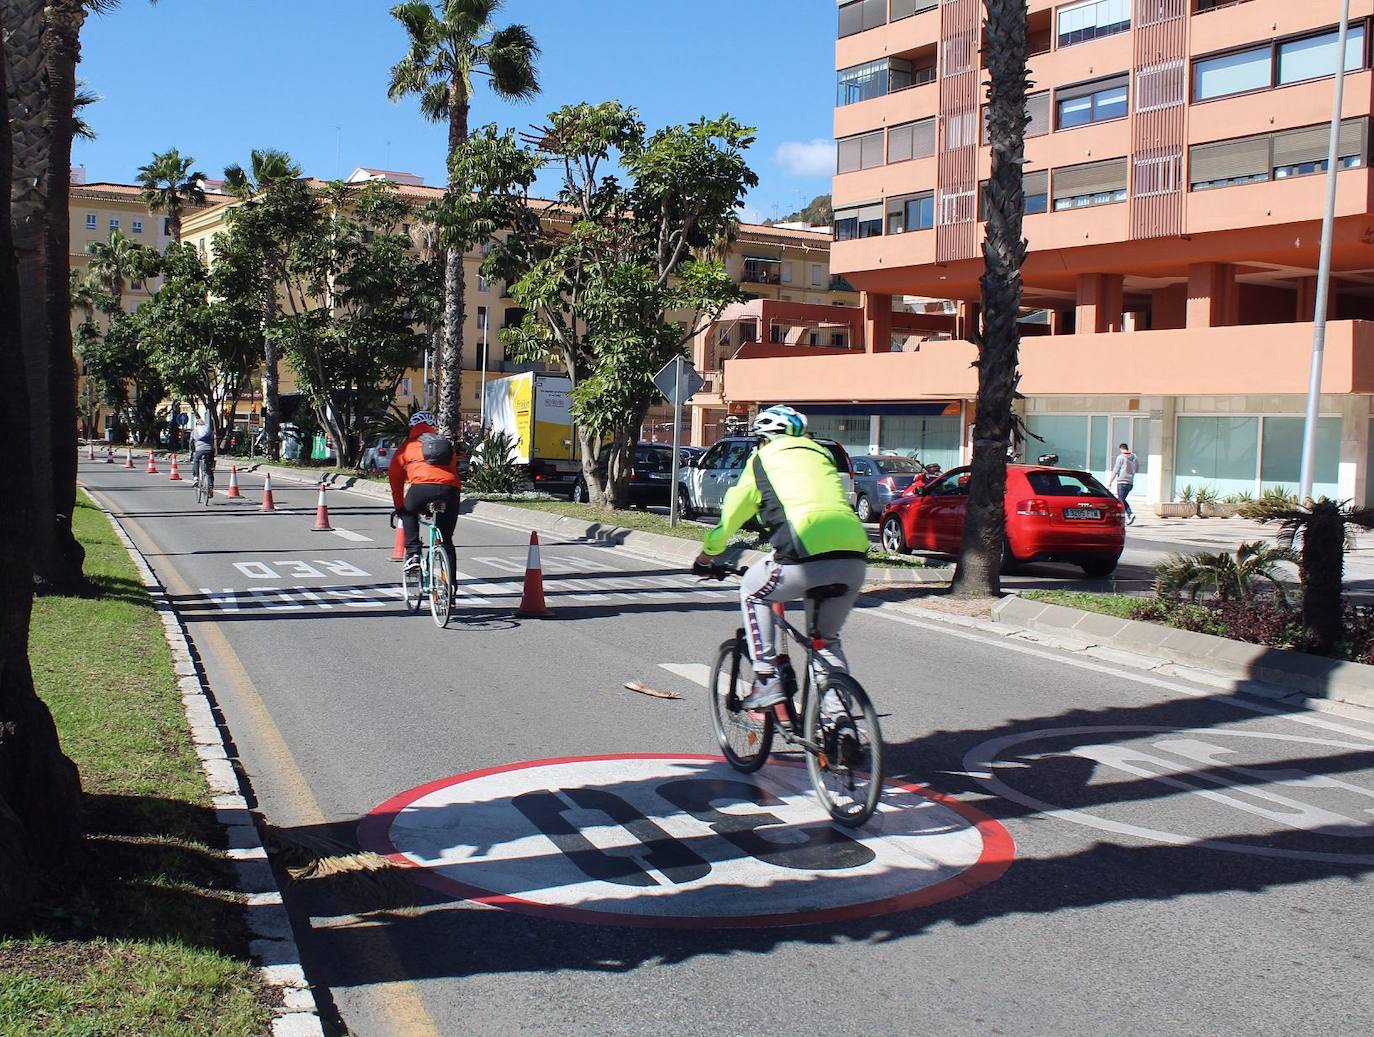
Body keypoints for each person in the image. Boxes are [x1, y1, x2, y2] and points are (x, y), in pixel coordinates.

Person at [694, 405, 871, 709]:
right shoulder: (822, 456)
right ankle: (838, 726)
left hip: (803, 553)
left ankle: (766, 678)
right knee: (825, 640)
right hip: (855, 555)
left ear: (763, 438)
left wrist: (708, 555)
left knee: (752, 591)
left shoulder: (762, 458)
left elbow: (735, 511)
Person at [388, 411, 461, 578]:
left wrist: (400, 507)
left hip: (421, 489)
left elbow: (395, 477)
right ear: (433, 427)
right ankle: (451, 590)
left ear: (412, 427)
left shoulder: (407, 446)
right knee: (446, 540)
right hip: (450, 490)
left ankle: (413, 554)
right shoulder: (446, 445)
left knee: (408, 513)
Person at [1109, 442, 1138, 525]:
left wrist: (1109, 482)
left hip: (1122, 482)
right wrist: (1131, 474)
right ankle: (1129, 515)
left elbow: (1115, 470)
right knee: (1122, 499)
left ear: (1121, 449)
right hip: (1130, 483)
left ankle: (1129, 515)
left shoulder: (1120, 457)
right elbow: (1137, 468)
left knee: (1121, 500)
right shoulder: (1134, 457)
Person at [190, 419, 215, 492]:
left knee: (196, 461)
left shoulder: (195, 431)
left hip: (199, 451)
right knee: (209, 469)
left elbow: (191, 442)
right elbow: (213, 440)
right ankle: (210, 487)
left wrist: (191, 452)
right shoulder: (208, 430)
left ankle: (196, 477)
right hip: (209, 450)